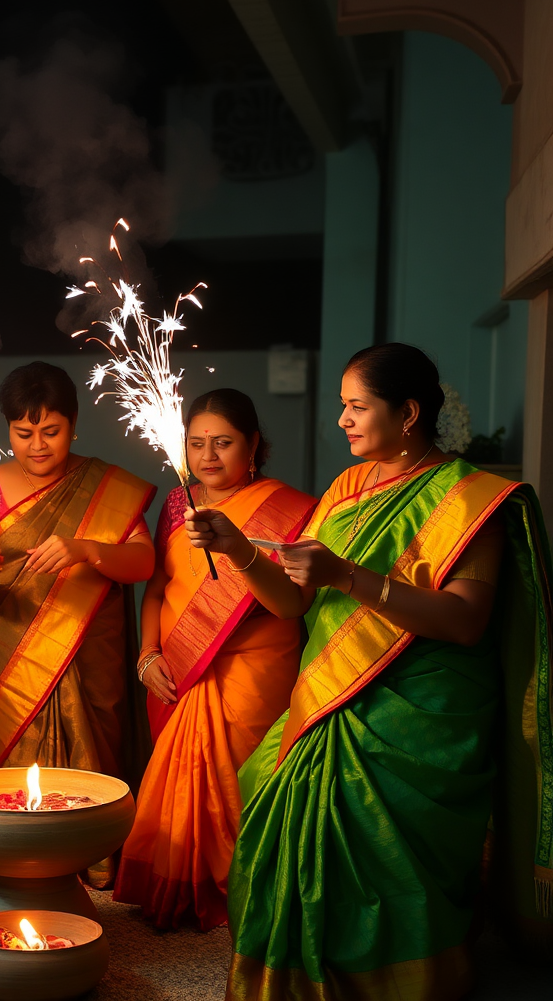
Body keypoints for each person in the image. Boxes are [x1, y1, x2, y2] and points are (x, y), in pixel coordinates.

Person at [185, 344, 552, 999]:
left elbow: (465, 621)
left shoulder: (470, 500)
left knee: (379, 843)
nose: (343, 422)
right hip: (331, 692)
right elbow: (296, 600)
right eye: (342, 407)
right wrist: (237, 549)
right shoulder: (350, 489)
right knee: (278, 793)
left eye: (357, 407)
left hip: (419, 707)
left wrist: (348, 576)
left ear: (407, 413)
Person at [113, 389, 316, 930]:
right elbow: (157, 587)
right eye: (196, 443)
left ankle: (245, 887)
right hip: (182, 662)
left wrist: (238, 549)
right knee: (180, 778)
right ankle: (180, 884)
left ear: (253, 444)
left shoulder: (291, 510)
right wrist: (147, 654)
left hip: (257, 665)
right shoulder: (180, 505)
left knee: (243, 781)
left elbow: (293, 604)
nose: (208, 456)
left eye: (223, 443)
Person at [0, 362, 156, 811]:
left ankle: (94, 856)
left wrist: (87, 549)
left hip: (91, 650)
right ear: (7, 428)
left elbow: (144, 562)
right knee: (16, 771)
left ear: (74, 424)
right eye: (24, 432)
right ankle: (21, 855)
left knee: (96, 759)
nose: (38, 445)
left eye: (51, 431)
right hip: (8, 657)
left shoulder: (106, 487)